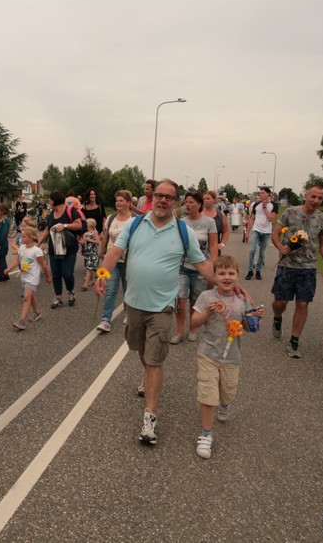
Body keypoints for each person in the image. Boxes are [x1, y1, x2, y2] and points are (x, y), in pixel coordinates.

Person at [95, 179, 217, 447]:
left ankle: (149, 419)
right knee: (141, 351)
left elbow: (202, 264)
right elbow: (115, 253)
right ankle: (148, 377)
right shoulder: (135, 224)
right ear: (153, 198)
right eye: (159, 195)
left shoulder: (183, 232)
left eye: (168, 197)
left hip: (162, 307)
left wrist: (226, 285)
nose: (162, 200)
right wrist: (102, 274)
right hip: (134, 304)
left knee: (154, 361)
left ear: (176, 202)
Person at [190, 255, 263, 459]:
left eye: (231, 273)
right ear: (214, 277)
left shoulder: (242, 300)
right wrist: (206, 313)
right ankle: (206, 434)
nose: (226, 277)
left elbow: (249, 328)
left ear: (237, 276)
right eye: (221, 273)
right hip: (208, 353)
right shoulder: (206, 297)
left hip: (232, 357)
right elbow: (193, 323)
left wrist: (255, 318)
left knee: (227, 392)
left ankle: (226, 404)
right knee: (208, 395)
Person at [270, 185, 323, 358]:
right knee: (280, 302)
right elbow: (275, 235)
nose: (316, 201)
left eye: (320, 198)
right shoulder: (290, 213)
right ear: (306, 196)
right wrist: (281, 247)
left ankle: (294, 341)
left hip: (308, 268)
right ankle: (277, 318)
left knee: (302, 304)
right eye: (313, 196)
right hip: (287, 265)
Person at [172, 190, 216, 344]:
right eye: (186, 202)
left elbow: (213, 246)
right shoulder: (181, 223)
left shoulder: (209, 222)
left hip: (201, 268)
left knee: (195, 300)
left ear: (199, 204)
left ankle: (193, 329)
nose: (188, 205)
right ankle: (179, 331)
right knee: (180, 299)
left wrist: (214, 266)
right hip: (182, 266)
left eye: (191, 202)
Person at [96, 190, 134, 334]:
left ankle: (129, 314)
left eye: (121, 200)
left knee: (128, 290)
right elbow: (106, 236)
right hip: (112, 260)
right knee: (110, 290)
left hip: (129, 260)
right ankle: (105, 320)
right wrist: (102, 252)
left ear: (129, 203)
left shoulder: (134, 219)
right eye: (117, 200)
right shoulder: (111, 218)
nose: (118, 203)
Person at [38, 191, 82, 309]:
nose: (49, 201)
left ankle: (71, 292)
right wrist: (38, 243)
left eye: (50, 199)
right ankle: (58, 297)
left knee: (67, 273)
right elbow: (47, 229)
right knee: (56, 274)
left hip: (69, 248)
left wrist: (65, 225)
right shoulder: (52, 213)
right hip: (54, 248)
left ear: (55, 200)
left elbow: (78, 225)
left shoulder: (70, 211)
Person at [6, 226, 52, 330]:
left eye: (24, 237)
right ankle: (37, 313)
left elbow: (43, 265)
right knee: (30, 296)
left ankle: (22, 321)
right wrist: (9, 269)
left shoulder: (37, 250)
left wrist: (48, 276)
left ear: (32, 237)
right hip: (24, 276)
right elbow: (17, 261)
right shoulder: (22, 248)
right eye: (21, 236)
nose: (22, 239)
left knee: (26, 297)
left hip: (33, 278)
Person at [244, 186, 276, 280]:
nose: (261, 195)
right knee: (252, 250)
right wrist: (247, 232)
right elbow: (252, 219)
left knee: (262, 253)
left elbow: (271, 218)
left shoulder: (274, 205)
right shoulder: (256, 205)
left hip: (266, 232)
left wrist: (265, 207)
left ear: (268, 194)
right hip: (256, 230)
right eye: (260, 193)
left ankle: (258, 270)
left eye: (263, 193)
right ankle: (250, 270)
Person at [201, 190, 229, 259]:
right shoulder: (199, 214)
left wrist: (222, 243)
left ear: (214, 200)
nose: (205, 200)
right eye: (204, 199)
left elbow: (226, 231)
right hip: (201, 250)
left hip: (215, 249)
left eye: (208, 198)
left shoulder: (220, 214)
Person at [80, 218, 100, 290]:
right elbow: (83, 242)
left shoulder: (94, 232)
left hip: (93, 252)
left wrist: (89, 240)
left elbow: (97, 242)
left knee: (89, 268)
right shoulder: (85, 233)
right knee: (90, 267)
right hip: (87, 253)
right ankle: (93, 280)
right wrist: (78, 241)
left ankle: (86, 284)